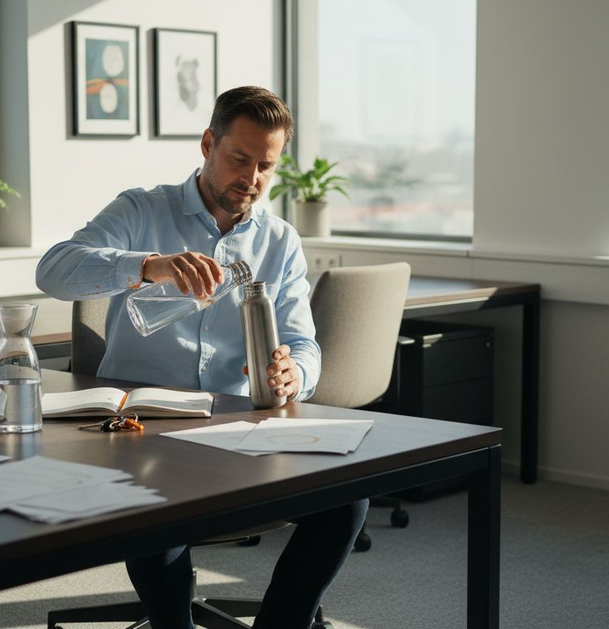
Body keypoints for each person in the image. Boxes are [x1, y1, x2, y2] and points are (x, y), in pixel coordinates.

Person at [36, 86, 367, 629]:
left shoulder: (279, 240)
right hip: (147, 430)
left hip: (242, 427)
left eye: (266, 166)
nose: (252, 179)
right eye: (240, 158)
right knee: (154, 504)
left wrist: (294, 374)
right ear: (208, 143)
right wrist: (147, 266)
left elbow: (304, 344)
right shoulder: (142, 210)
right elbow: (53, 270)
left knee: (346, 500)